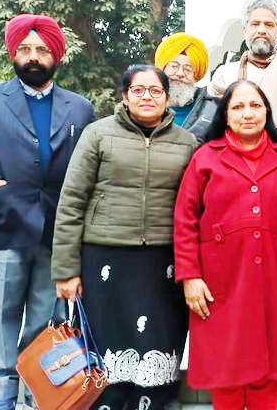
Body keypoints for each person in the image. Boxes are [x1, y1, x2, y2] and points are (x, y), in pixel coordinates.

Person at [0, 13, 94, 410]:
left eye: (41, 50)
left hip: (55, 233)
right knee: (0, 322)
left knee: (44, 323)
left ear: (56, 55)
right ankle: (2, 401)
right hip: (2, 227)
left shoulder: (80, 108)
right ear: (13, 53)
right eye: (24, 49)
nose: (32, 57)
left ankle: (37, 398)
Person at [51, 65, 197, 409]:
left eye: (155, 91)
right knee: (107, 336)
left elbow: (194, 206)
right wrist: (66, 270)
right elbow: (71, 201)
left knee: (160, 336)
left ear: (167, 98)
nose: (147, 97)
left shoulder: (187, 143)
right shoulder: (98, 134)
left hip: (163, 260)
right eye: (138, 90)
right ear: (125, 96)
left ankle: (154, 402)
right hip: (105, 257)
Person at [173, 79, 277, 410]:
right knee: (226, 374)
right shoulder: (205, 158)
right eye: (238, 107)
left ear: (267, 112)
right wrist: (190, 277)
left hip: (275, 282)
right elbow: (184, 220)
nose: (247, 113)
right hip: (219, 285)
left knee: (268, 375)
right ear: (225, 115)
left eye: (255, 106)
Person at [210, 0, 277, 164]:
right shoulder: (224, 75)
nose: (261, 30)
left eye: (269, 25)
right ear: (244, 31)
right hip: (229, 165)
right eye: (255, 24)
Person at [154, 32, 219, 142]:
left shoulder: (211, 109)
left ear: (196, 75)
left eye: (187, 69)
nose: (180, 73)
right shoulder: (146, 104)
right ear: (163, 69)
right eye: (174, 66)